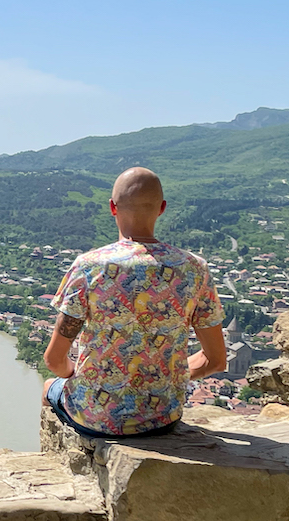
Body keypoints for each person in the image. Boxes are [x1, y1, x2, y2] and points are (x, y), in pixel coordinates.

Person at [42, 167, 227, 438]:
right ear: (162, 208)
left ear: (112, 208)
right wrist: (167, 378)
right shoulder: (194, 268)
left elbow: (54, 359)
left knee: (49, 387)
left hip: (97, 418)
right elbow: (215, 360)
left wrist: (75, 374)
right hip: (164, 417)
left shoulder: (90, 266)